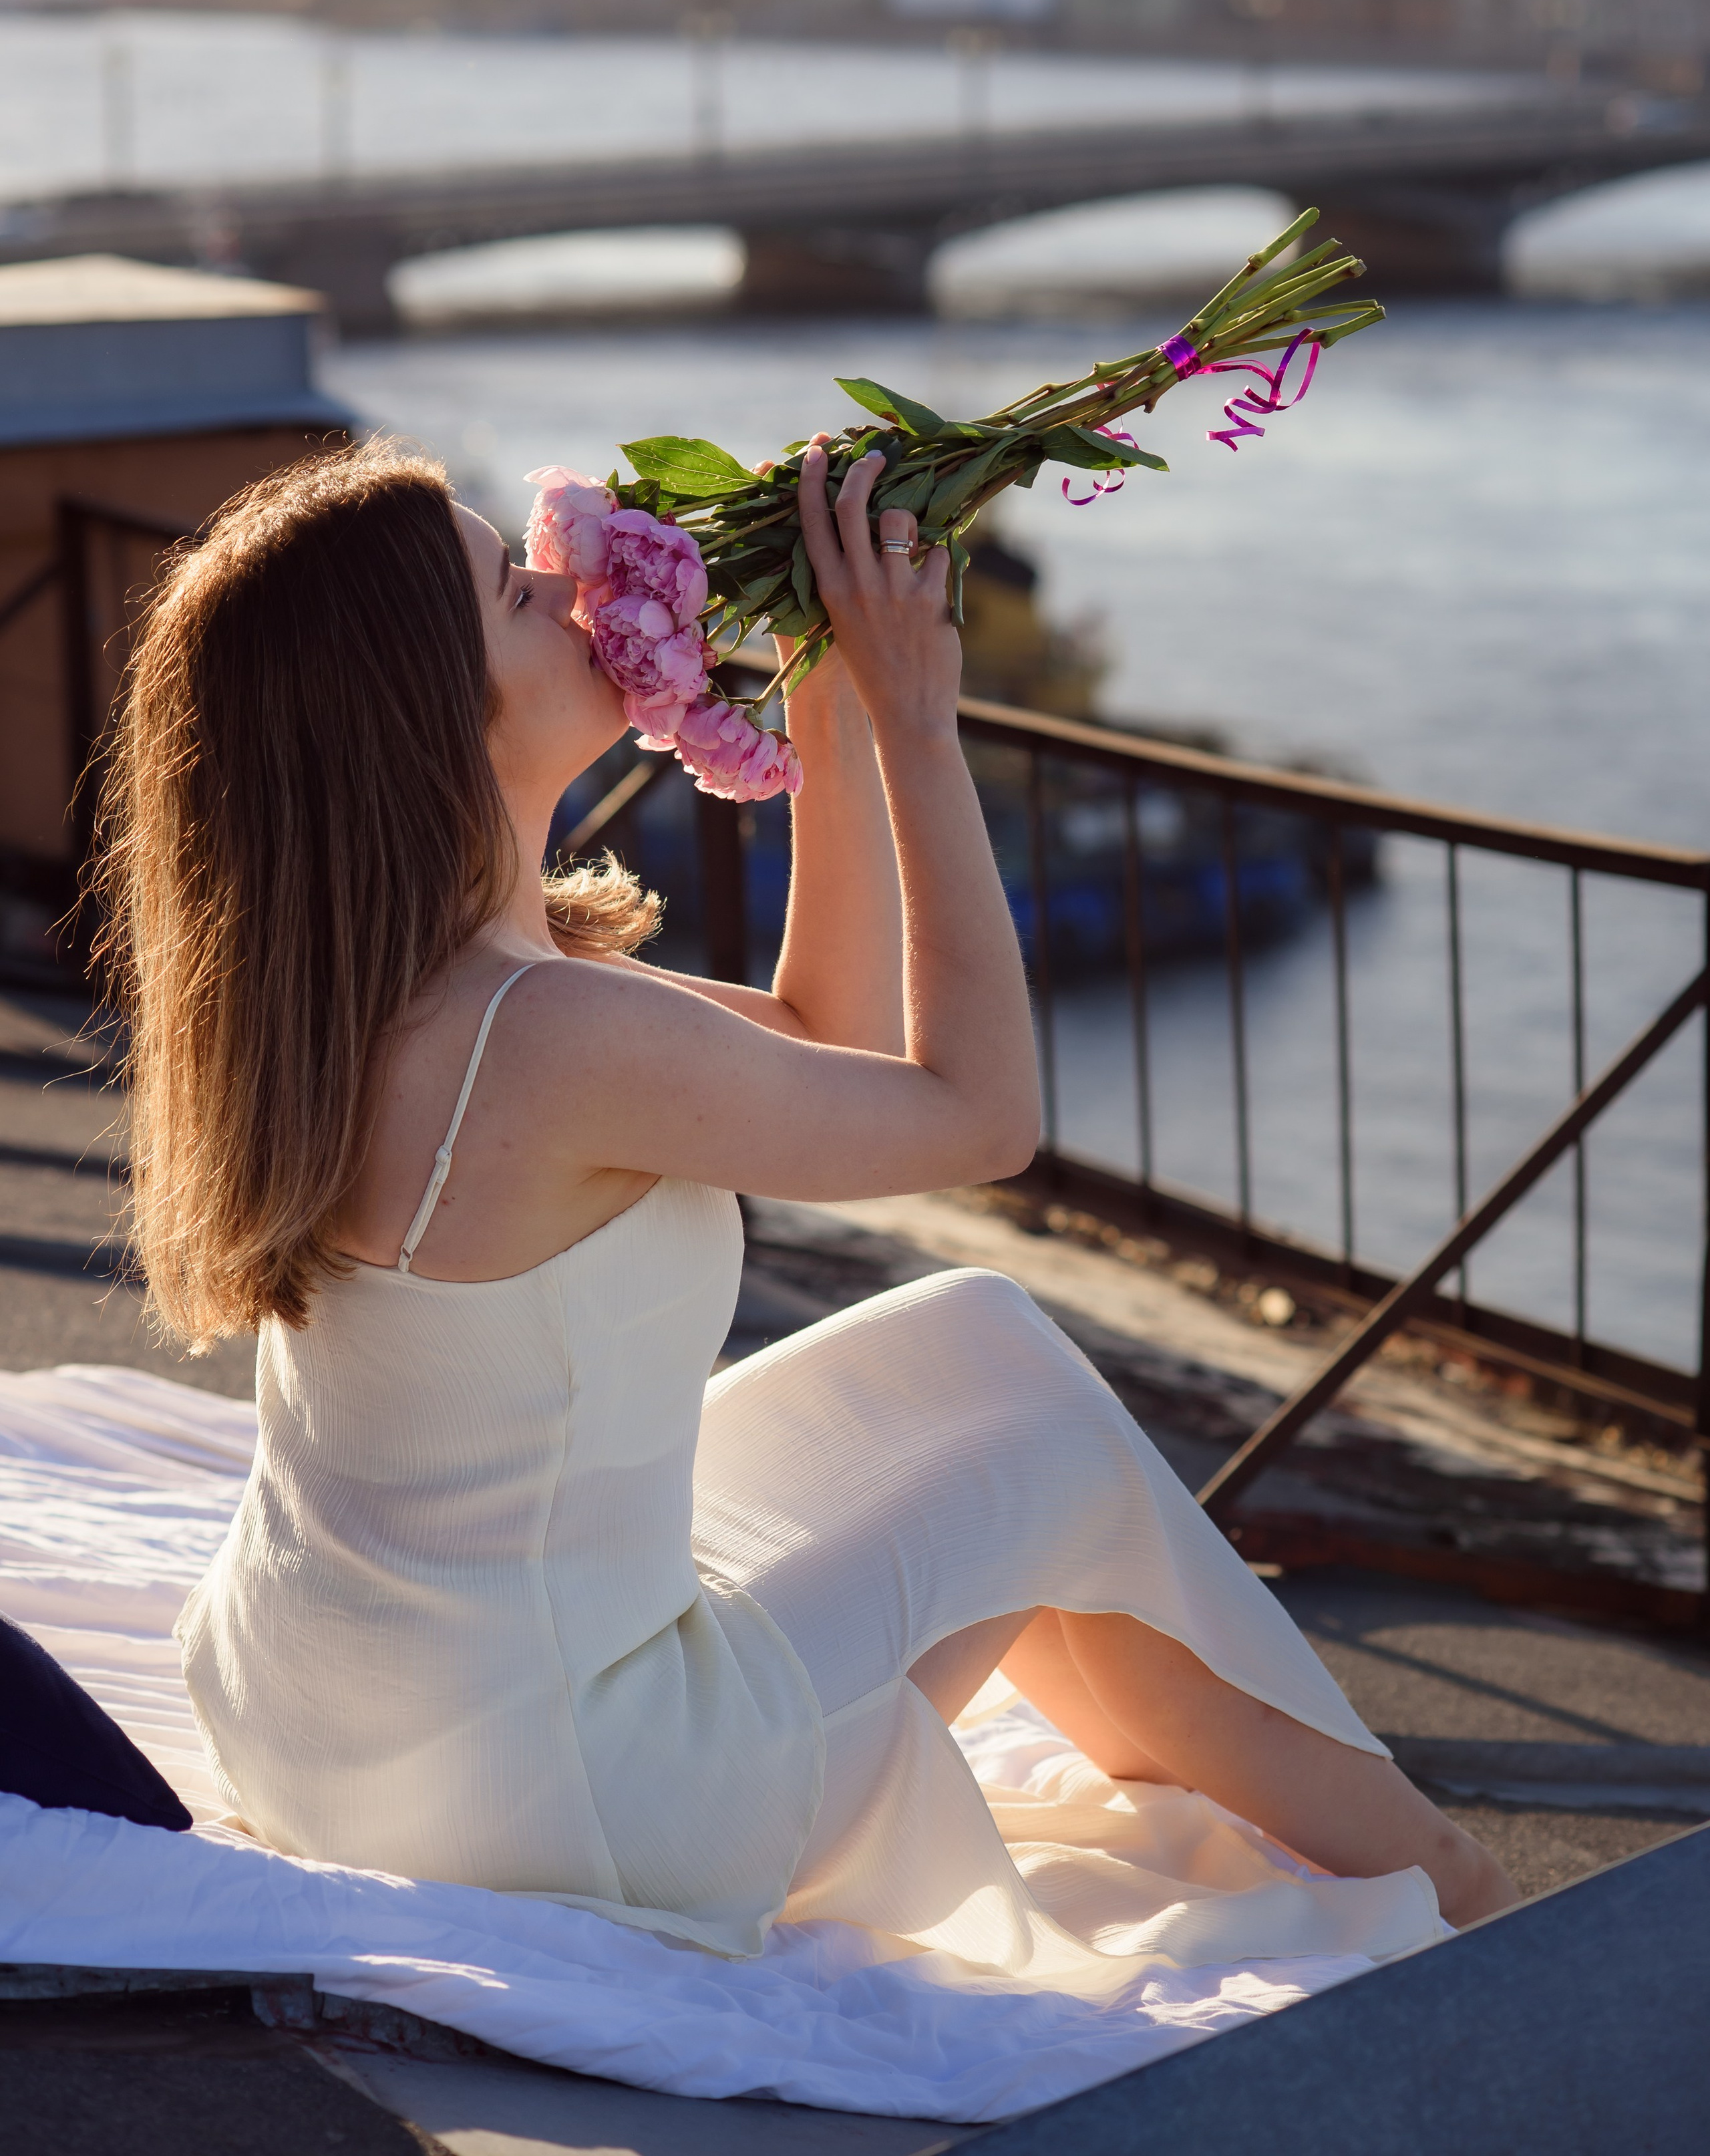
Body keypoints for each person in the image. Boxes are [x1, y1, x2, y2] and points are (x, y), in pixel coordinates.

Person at [98, 438, 1515, 2000]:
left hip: (327, 1719)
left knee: (974, 1339)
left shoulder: (355, 991)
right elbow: (978, 1117)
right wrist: (917, 717)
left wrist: (829, 698)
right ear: (427, 709)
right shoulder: (549, 1037)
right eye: (515, 588)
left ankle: (1303, 1810)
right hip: (563, 1801)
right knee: (1045, 1458)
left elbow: (816, 1030)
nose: (566, 587)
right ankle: (1441, 1880)